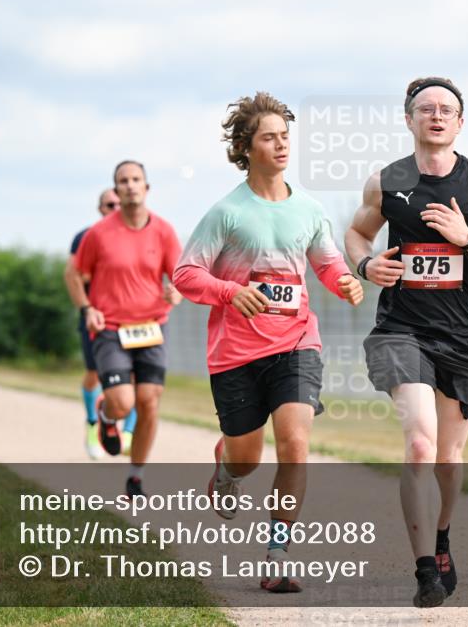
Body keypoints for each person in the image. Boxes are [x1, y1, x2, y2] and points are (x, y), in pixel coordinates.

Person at [345, 77, 468, 608]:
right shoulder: (387, 181)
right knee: (420, 444)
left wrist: (465, 237)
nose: (437, 116)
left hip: (463, 337)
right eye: (427, 109)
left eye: (448, 109)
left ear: (460, 123)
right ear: (409, 119)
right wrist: (365, 263)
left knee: (448, 457)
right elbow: (357, 233)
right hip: (402, 330)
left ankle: (442, 536)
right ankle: (425, 569)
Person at [173, 92, 363, 593]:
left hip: (297, 343)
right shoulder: (227, 213)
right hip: (235, 353)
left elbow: (326, 262)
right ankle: (226, 471)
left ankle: (277, 554)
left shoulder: (309, 209)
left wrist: (345, 280)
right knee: (247, 459)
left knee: (296, 447)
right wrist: (231, 292)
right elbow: (186, 275)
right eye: (269, 138)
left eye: (285, 136)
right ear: (245, 146)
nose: (281, 146)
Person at [68, 161, 182, 497]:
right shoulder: (98, 234)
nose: (130, 185)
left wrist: (175, 291)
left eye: (136, 180)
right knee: (122, 402)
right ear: (116, 190)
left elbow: (179, 275)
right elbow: (74, 274)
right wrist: (87, 309)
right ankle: (105, 414)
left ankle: (136, 475)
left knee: (149, 401)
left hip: (151, 327)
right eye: (123, 181)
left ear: (146, 188)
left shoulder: (163, 231)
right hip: (110, 328)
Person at [64, 188, 137, 459]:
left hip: (132, 319)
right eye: (109, 204)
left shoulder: (139, 235)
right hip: (97, 318)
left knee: (136, 377)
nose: (115, 208)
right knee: (94, 373)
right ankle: (93, 424)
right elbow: (74, 276)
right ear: (100, 208)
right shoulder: (86, 237)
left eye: (119, 204)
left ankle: (127, 433)